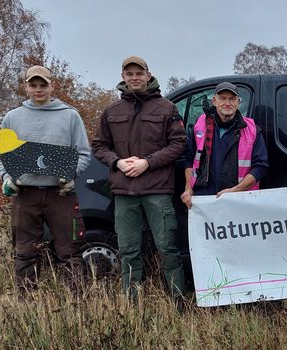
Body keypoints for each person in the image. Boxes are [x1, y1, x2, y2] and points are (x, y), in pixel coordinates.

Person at [91, 56, 187, 301]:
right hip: (125, 192)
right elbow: (99, 146)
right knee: (128, 250)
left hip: (157, 190)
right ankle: (132, 304)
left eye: (139, 73)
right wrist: (117, 162)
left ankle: (178, 301)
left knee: (168, 248)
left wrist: (148, 162)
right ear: (123, 76)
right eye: (129, 73)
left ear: (148, 74)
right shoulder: (112, 111)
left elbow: (179, 144)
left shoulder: (167, 108)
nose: (134, 77)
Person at [0, 65, 91, 295]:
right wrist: (7, 179)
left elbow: (84, 154)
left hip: (61, 195)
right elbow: (1, 156)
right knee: (25, 252)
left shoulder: (69, 115)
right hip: (26, 196)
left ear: (52, 86)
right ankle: (27, 304)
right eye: (33, 85)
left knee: (70, 251)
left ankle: (76, 304)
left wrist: (71, 175)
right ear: (26, 87)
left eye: (43, 85)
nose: (38, 89)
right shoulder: (12, 118)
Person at [181, 82, 269, 208]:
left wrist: (236, 190)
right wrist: (188, 189)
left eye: (232, 99)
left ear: (239, 102)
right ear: (214, 101)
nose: (227, 103)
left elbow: (261, 166)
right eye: (222, 98)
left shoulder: (252, 130)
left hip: (239, 200)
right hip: (204, 200)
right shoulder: (200, 124)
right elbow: (190, 159)